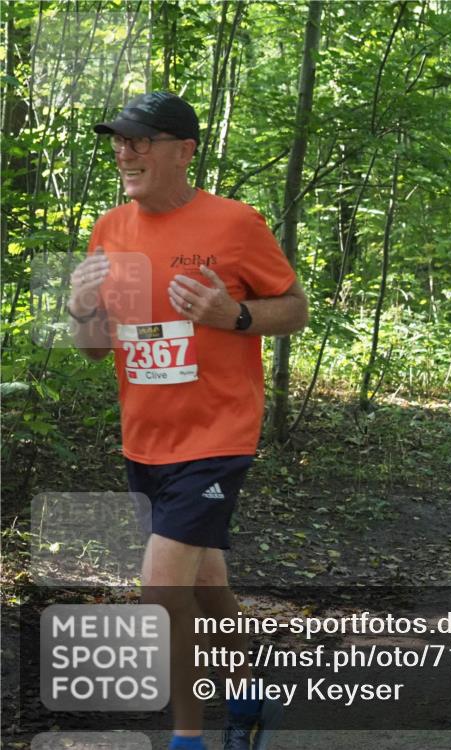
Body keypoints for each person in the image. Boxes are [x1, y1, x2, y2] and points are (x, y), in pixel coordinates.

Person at [67, 92, 308, 750]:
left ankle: (187, 737)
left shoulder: (234, 224)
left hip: (217, 436)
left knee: (160, 590)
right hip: (146, 439)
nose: (125, 152)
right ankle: (249, 693)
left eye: (140, 141)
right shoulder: (109, 229)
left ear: (183, 150)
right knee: (205, 583)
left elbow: (293, 307)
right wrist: (82, 308)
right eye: (119, 140)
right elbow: (93, 346)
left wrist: (231, 315)